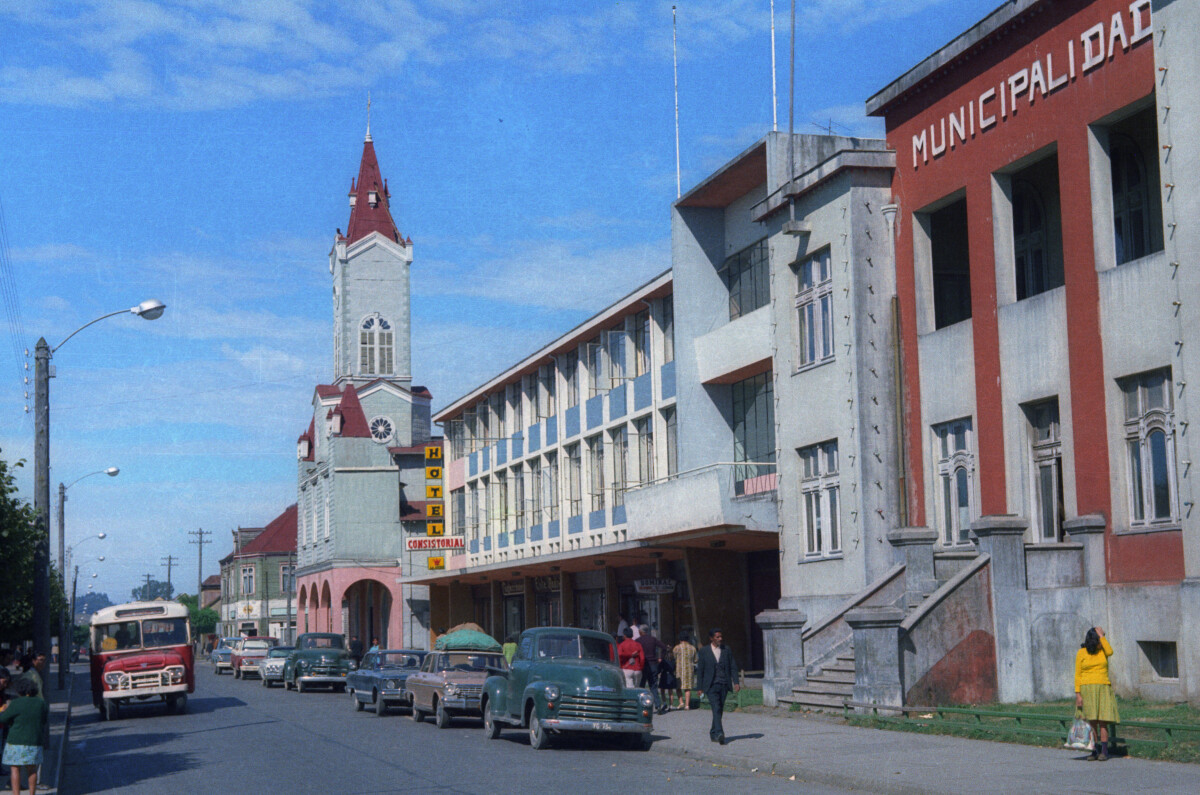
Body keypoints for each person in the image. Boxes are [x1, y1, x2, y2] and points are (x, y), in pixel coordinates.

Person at [1075, 625, 1119, 761]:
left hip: (1103, 687)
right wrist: (1078, 694)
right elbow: (1078, 675)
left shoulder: (1103, 651)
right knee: (1092, 722)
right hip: (1087, 689)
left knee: (1103, 721)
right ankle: (1094, 750)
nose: (1102, 639)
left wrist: (1102, 636)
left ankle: (1104, 752)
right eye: (1100, 637)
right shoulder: (1081, 652)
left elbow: (1110, 651)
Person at [0, 678, 48, 795]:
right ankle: (32, 793)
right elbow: (44, 720)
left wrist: (4, 711)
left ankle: (16, 794)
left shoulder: (16, 703)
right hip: (34, 741)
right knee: (32, 770)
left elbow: (3, 719)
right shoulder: (41, 703)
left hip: (15, 741)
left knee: (15, 769)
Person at [696, 628, 740, 745]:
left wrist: (736, 682)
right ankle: (720, 733)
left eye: (721, 637)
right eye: (717, 637)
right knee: (716, 708)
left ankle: (713, 732)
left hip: (724, 684)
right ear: (711, 638)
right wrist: (699, 687)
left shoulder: (726, 650)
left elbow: (733, 667)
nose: (720, 639)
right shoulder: (704, 651)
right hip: (711, 686)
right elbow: (700, 671)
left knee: (719, 709)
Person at [636, 625, 669, 714]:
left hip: (643, 664)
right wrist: (660, 658)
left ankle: (639, 705)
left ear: (640, 632)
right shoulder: (653, 639)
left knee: (641, 686)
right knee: (653, 686)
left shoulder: (638, 641)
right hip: (653, 664)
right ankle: (658, 705)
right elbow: (664, 647)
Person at [672, 634, 698, 710]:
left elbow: (673, 657)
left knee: (678, 687)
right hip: (689, 670)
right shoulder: (693, 648)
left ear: (680, 639)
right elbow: (696, 659)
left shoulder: (677, 647)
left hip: (679, 670)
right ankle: (687, 705)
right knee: (688, 688)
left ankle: (681, 702)